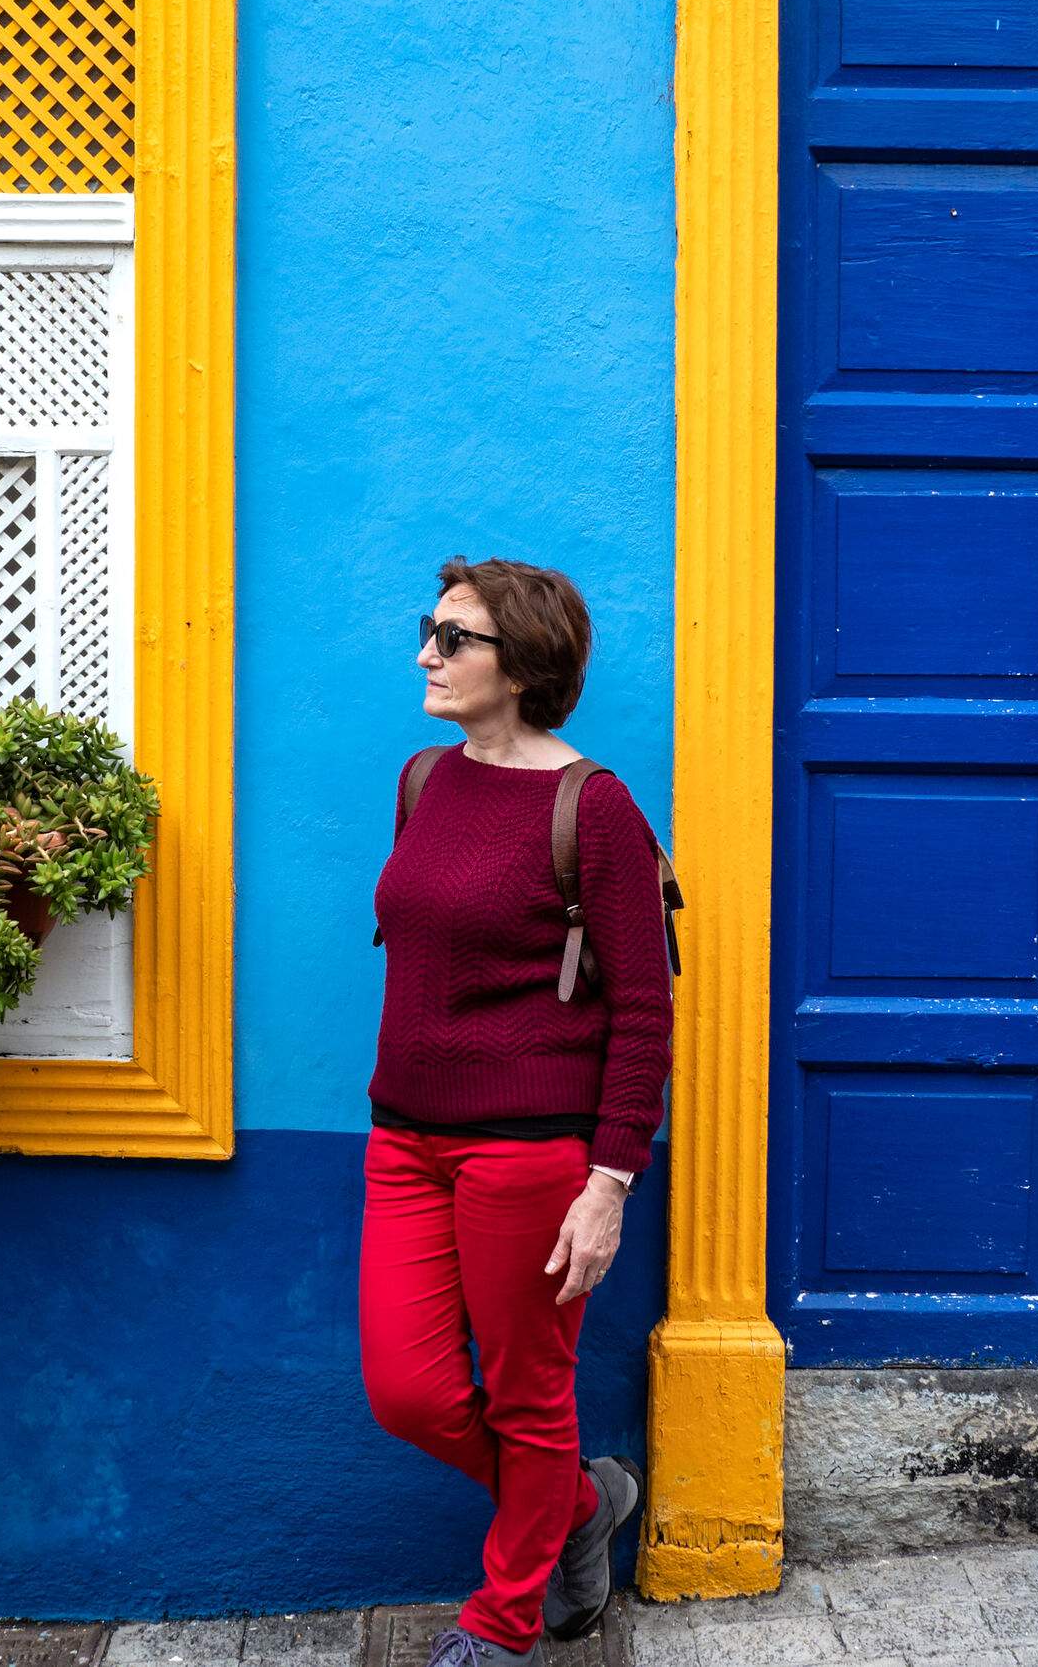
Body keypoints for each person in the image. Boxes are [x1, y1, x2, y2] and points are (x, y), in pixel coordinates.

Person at [359, 556, 674, 1667]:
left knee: (531, 1399)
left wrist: (608, 1185)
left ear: (524, 663)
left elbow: (644, 1012)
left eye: (453, 638)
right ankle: (581, 1508)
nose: (427, 655)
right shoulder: (422, 782)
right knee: (408, 1391)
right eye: (430, 631)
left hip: (531, 1156)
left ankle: (502, 1625)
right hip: (404, 1139)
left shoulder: (597, 809)